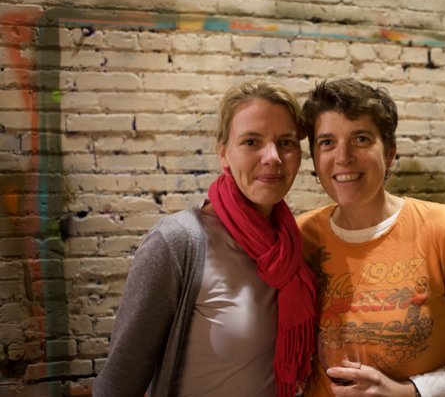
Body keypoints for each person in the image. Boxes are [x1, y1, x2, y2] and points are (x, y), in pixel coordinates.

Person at [297, 78, 445, 396]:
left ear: (389, 153)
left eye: (360, 139)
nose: (343, 156)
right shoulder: (300, 236)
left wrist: (410, 392)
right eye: (327, 142)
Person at [93, 80, 316, 397]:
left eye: (286, 142)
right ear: (223, 154)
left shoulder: (291, 246)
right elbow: (117, 385)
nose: (273, 157)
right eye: (252, 141)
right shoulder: (177, 243)